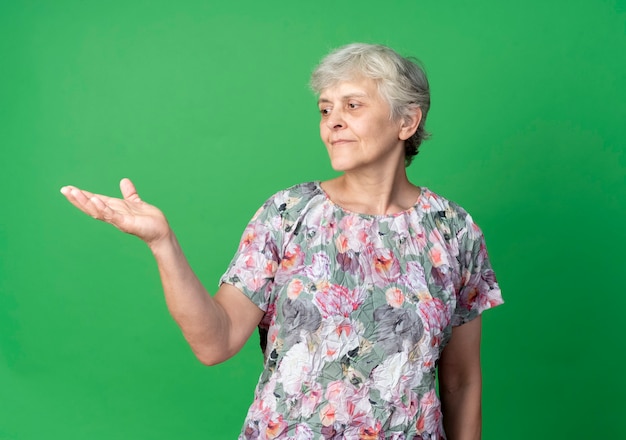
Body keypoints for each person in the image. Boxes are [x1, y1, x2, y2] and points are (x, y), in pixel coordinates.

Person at [61, 43, 503, 439]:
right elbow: (214, 343)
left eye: (352, 105)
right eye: (325, 109)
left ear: (406, 120)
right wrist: (163, 243)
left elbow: (461, 380)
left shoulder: (453, 230)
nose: (333, 122)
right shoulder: (289, 213)